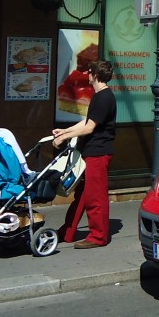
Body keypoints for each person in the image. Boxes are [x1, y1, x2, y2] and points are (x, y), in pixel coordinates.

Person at [52, 58, 116, 249]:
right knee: (82, 195)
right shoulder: (99, 96)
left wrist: (63, 138)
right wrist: (64, 131)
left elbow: (89, 128)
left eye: (89, 73)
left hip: (98, 152)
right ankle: (68, 232)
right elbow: (87, 122)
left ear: (95, 75)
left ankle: (98, 237)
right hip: (91, 152)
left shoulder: (105, 97)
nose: (87, 75)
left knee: (95, 197)